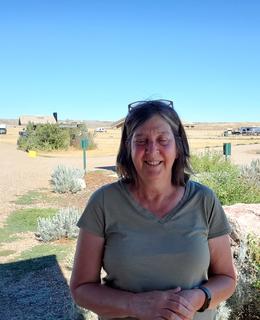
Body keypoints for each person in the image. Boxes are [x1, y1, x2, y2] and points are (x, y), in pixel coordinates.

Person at [70, 99, 236, 320]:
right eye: (141, 140)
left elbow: (226, 278)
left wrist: (199, 297)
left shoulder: (204, 200)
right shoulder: (103, 202)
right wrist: (135, 305)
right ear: (128, 148)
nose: (152, 150)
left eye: (162, 140)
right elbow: (81, 288)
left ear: (178, 147)